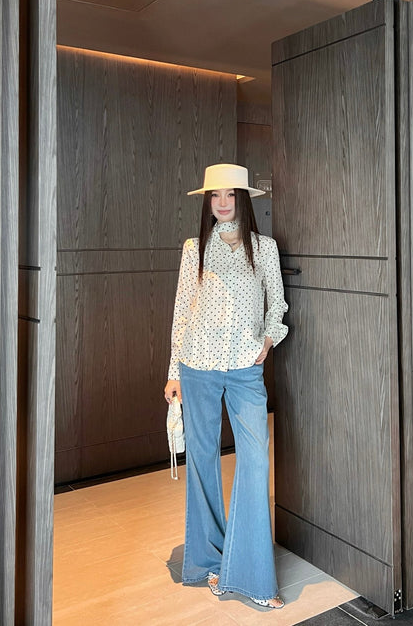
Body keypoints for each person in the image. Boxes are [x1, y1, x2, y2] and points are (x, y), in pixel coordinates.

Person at [163, 163, 289, 609]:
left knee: (255, 459)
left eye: (230, 194)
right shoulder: (193, 248)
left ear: (243, 199)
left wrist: (268, 341)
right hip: (196, 366)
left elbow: (278, 303)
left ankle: (252, 577)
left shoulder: (264, 248)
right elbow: (182, 310)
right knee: (202, 461)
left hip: (244, 368)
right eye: (214, 195)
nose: (221, 202)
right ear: (207, 201)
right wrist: (173, 371)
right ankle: (207, 562)